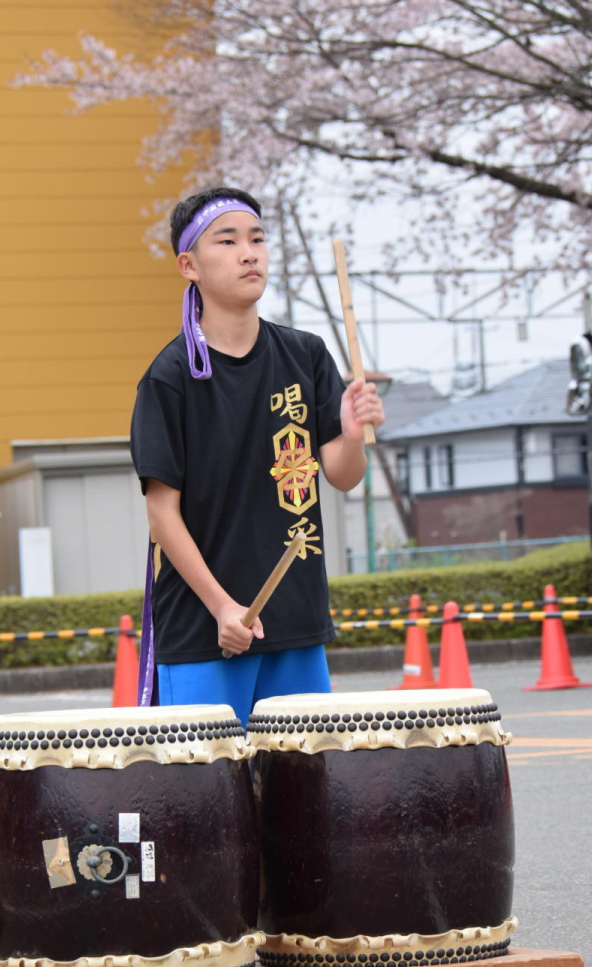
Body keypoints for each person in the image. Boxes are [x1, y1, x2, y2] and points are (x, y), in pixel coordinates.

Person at [130, 186, 384, 725]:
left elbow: (341, 476)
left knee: (301, 798)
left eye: (258, 239)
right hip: (207, 633)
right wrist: (222, 606)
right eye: (228, 241)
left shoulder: (306, 354)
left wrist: (354, 432)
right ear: (189, 265)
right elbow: (162, 513)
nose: (250, 253)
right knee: (207, 803)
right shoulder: (170, 377)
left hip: (297, 622)